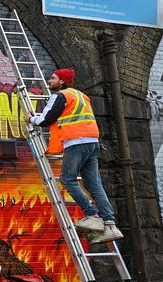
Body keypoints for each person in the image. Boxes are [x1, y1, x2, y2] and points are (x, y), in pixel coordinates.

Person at [24, 68, 123, 244]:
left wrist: (30, 119)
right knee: (94, 184)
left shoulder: (60, 96)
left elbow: (46, 119)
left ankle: (91, 214)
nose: (49, 80)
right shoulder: (81, 96)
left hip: (76, 142)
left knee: (67, 179)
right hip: (92, 142)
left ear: (62, 81)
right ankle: (110, 224)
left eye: (53, 78)